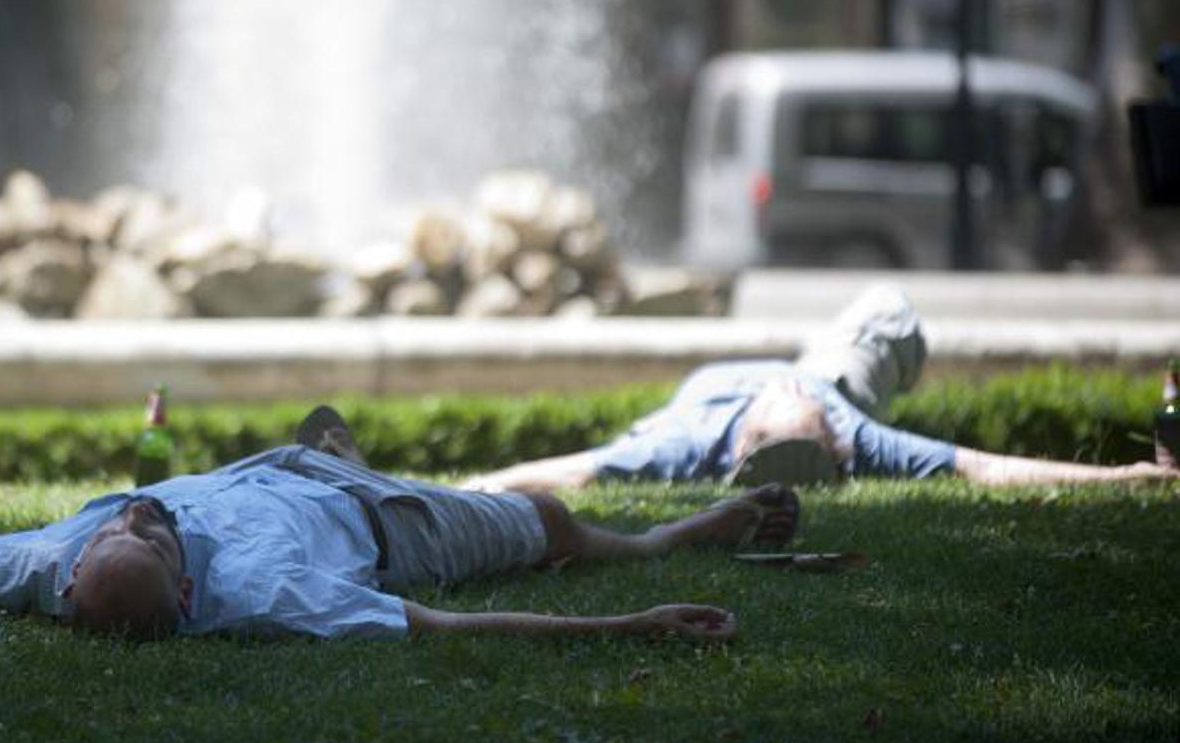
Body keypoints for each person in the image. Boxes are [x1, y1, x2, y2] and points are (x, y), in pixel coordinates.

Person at [0, 413, 800, 644]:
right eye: (149, 533)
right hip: (383, 527)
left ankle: (327, 442)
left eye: (124, 525)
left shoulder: (34, 566)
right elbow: (438, 622)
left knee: (320, 443)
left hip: (266, 465)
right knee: (543, 519)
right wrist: (623, 625)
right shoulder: (272, 602)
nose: (138, 514)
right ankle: (662, 540)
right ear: (184, 595)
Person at [464, 284, 1180, 493]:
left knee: (882, 315)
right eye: (830, 444)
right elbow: (985, 468)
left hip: (807, 378)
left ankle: (817, 394)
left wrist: (464, 490)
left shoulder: (681, 444)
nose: (836, 439)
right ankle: (861, 364)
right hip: (829, 372)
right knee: (889, 311)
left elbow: (567, 473)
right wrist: (1129, 477)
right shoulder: (851, 423)